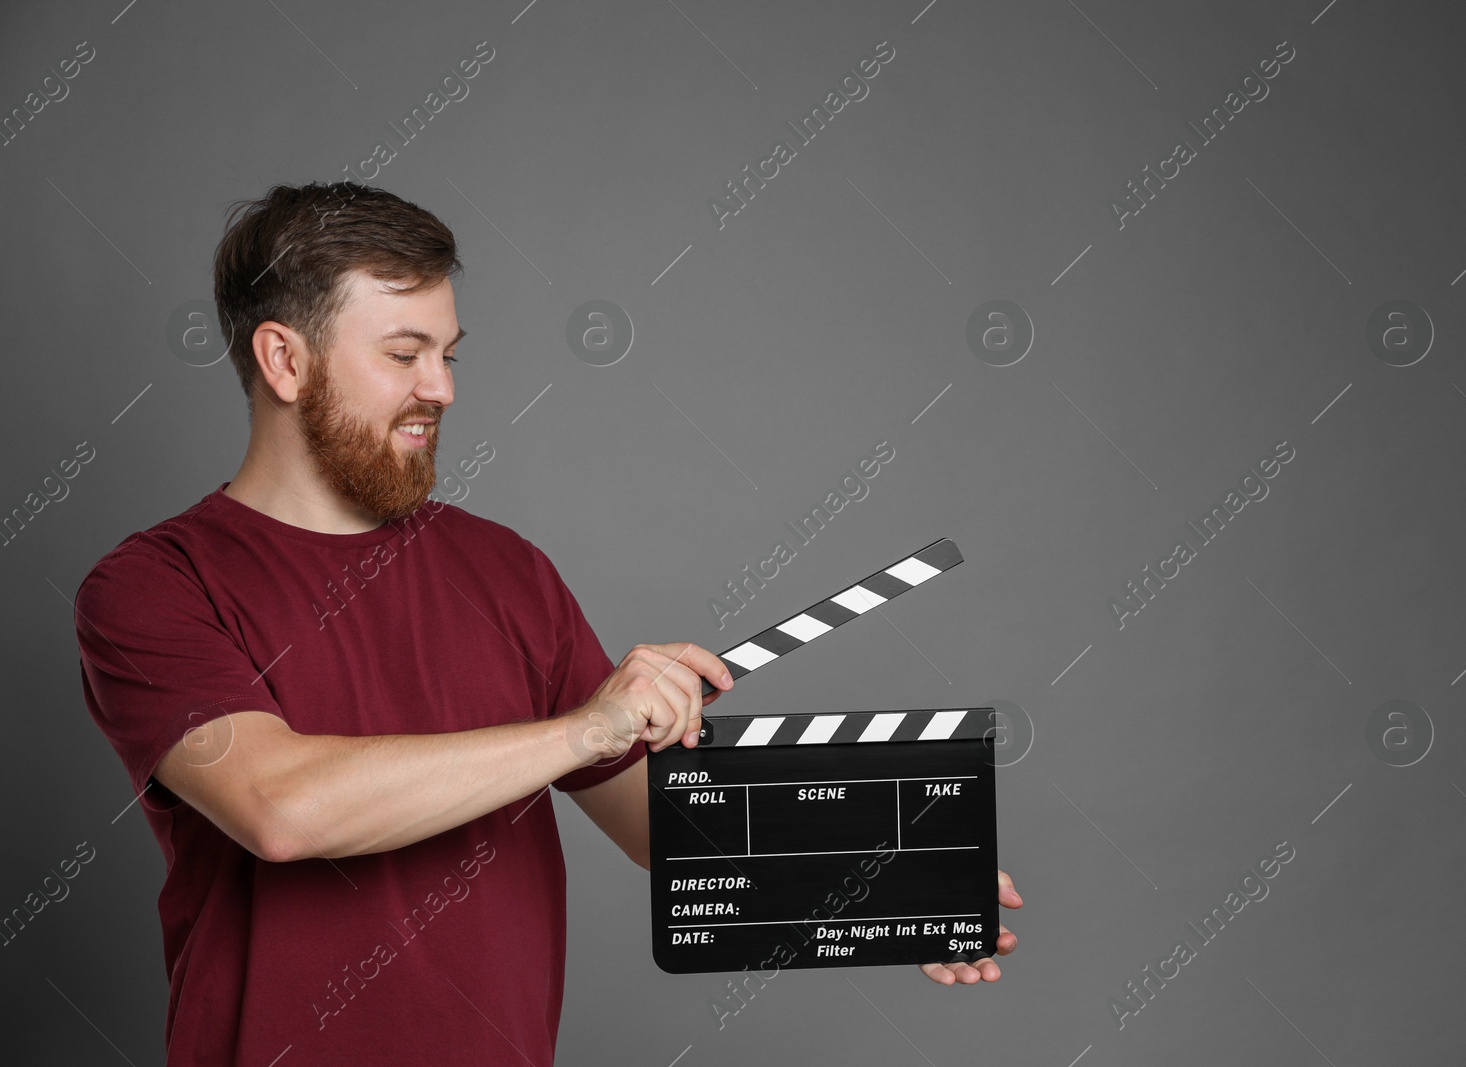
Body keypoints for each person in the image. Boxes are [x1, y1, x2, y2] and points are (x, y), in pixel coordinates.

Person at [73, 181, 1022, 1066]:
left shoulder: (504, 570)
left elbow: (658, 820)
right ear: (285, 359)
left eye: (449, 354)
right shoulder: (155, 585)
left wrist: (896, 883)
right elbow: (279, 808)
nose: (440, 388)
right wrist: (583, 729)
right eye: (404, 354)